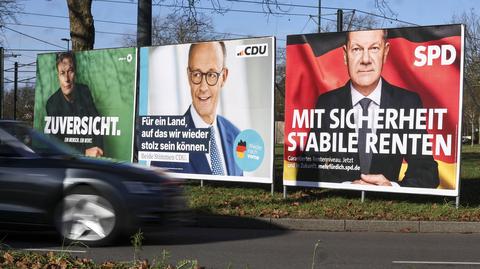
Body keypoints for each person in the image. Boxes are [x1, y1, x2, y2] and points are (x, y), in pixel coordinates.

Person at [297, 29, 439, 188]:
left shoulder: (407, 102)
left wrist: (392, 188)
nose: (365, 59)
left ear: (385, 52)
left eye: (374, 48)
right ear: (345, 54)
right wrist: (346, 186)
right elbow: (307, 170)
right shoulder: (327, 103)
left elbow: (427, 171)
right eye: (357, 49)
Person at [158, 41, 243, 176]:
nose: (203, 87)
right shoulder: (167, 142)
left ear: (224, 77)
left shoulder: (236, 137)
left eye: (211, 75)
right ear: (188, 76)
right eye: (197, 74)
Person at [46, 52, 104, 157]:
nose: (67, 79)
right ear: (58, 75)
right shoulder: (52, 103)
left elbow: (97, 123)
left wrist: (99, 150)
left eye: (70, 71)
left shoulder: (84, 90)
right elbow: (56, 143)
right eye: (62, 73)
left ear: (75, 73)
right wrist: (84, 152)